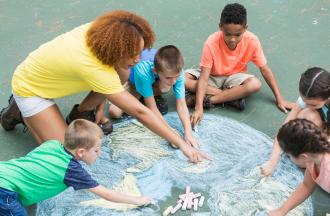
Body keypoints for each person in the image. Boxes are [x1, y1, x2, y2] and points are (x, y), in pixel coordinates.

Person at [0, 10, 209, 163]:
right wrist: (182, 143)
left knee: (124, 72)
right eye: (133, 54)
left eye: (141, 51)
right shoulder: (92, 67)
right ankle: (18, 111)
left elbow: (114, 81)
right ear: (117, 49)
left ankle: (80, 115)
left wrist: (98, 112)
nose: (138, 59)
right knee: (69, 156)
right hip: (31, 90)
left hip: (51, 76)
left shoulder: (103, 35)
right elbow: (139, 111)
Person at [0, 119, 151, 216]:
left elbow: (32, 163)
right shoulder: (71, 171)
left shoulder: (52, 144)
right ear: (81, 152)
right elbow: (106, 194)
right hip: (5, 190)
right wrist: (138, 200)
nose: (99, 153)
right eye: (96, 150)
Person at [185, 3, 293, 128]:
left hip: (235, 78)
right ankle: (231, 98)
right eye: (227, 34)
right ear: (220, 27)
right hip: (211, 77)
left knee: (255, 84)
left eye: (237, 35)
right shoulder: (211, 42)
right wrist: (198, 108)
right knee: (180, 78)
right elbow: (204, 78)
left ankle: (210, 100)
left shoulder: (252, 41)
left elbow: (265, 69)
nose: (232, 39)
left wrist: (280, 99)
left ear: (245, 28)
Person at [109, 45, 198, 147]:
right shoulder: (143, 70)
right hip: (133, 81)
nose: (173, 81)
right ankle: (144, 97)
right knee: (114, 112)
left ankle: (148, 95)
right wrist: (171, 133)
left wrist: (188, 133)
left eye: (176, 77)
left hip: (154, 81)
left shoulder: (177, 72)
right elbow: (152, 108)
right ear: (155, 71)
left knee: (165, 87)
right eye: (169, 77)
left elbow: (182, 105)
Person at [261, 67, 330, 176]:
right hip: (324, 128)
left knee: (308, 161)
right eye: (304, 101)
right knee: (307, 114)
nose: (307, 105)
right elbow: (284, 129)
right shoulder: (309, 97)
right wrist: (272, 162)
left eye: (313, 104)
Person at [268, 119, 330, 216]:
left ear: (303, 156)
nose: (288, 157)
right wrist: (282, 210)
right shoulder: (313, 156)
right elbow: (306, 186)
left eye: (289, 155)